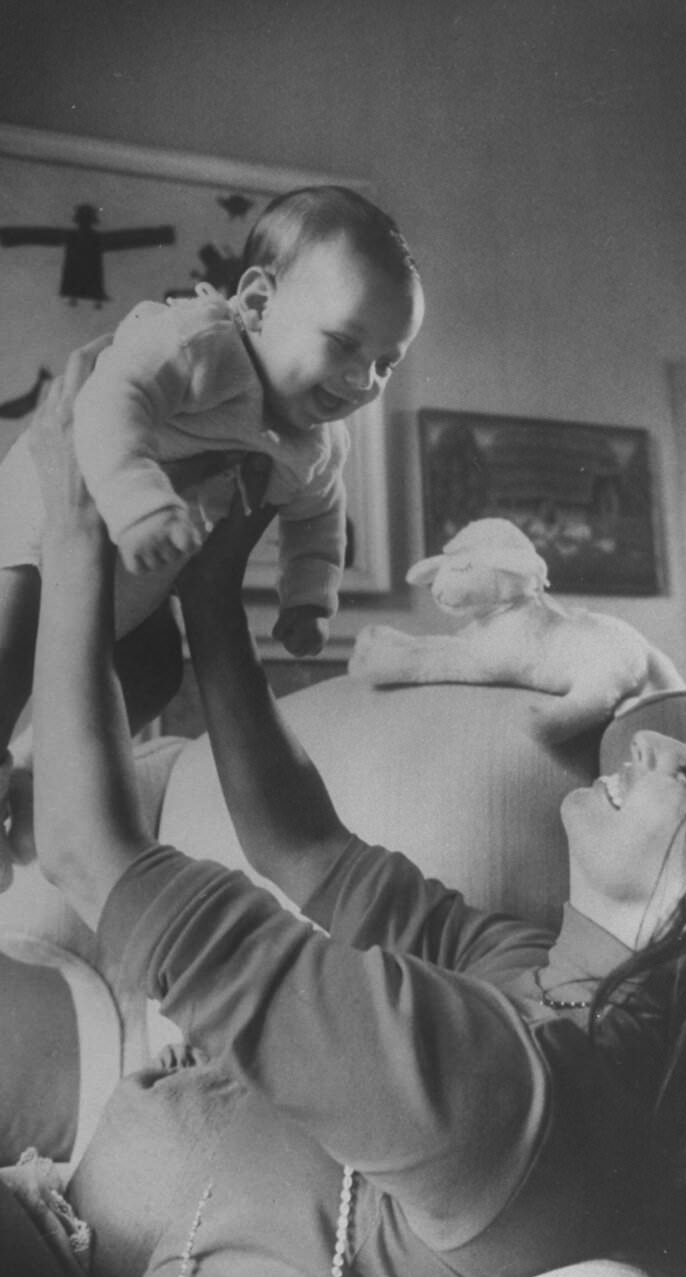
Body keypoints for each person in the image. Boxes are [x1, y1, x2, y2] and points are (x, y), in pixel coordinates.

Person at [22, 349, 686, 1277]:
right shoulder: (544, 978)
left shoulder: (512, 1093)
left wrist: (73, 533)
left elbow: (86, 852)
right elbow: (305, 846)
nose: (655, 745)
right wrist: (214, 597)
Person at [0, 186, 424, 868]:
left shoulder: (317, 444)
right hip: (38, 538)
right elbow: (109, 399)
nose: (363, 379)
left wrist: (309, 598)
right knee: (7, 652)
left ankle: (36, 777)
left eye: (385, 362)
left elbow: (318, 521)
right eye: (346, 343)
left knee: (156, 672)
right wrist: (138, 501)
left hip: (136, 585)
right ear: (256, 303)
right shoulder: (198, 342)